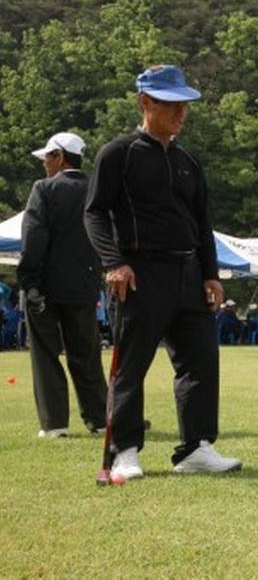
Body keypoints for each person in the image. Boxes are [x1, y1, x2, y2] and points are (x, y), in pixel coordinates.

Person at [84, 64, 241, 479]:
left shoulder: (189, 160)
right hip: (139, 273)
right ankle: (125, 451)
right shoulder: (118, 154)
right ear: (145, 102)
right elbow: (95, 213)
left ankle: (196, 448)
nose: (181, 113)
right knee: (131, 365)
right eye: (171, 104)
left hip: (188, 272)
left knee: (200, 360)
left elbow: (201, 222)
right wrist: (113, 262)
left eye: (184, 105)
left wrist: (211, 275)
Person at [17, 131, 108, 438]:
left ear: (59, 157)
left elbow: (34, 237)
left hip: (46, 285)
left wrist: (29, 282)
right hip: (85, 284)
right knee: (87, 355)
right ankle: (100, 419)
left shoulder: (44, 189)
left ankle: (55, 424)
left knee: (45, 355)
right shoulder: (96, 190)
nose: (44, 163)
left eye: (47, 157)